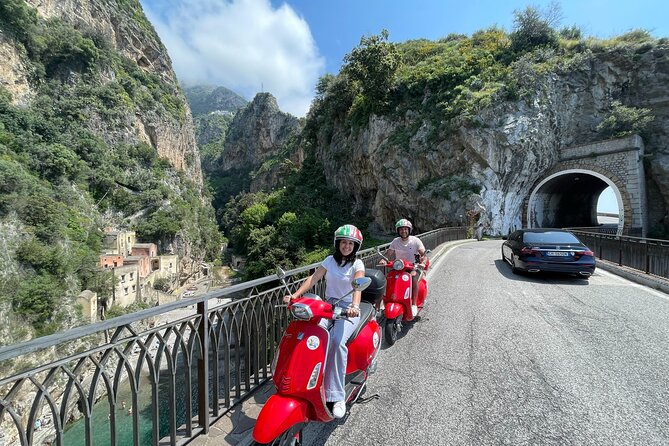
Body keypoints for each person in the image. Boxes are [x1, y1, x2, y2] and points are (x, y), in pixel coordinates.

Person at [283, 224, 365, 419]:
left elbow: (358, 287)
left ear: (355, 246)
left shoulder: (357, 265)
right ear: (338, 244)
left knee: (336, 342)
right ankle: (306, 380)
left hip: (347, 310)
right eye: (343, 242)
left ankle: (337, 396)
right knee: (312, 337)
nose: (346, 246)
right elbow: (314, 278)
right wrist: (295, 295)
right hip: (328, 307)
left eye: (350, 243)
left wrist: (354, 306)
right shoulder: (329, 260)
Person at [383, 219, 426, 317]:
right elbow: (389, 254)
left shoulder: (415, 240)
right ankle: (387, 301)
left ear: (409, 230)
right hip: (399, 267)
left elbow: (423, 253)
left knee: (413, 278)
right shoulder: (395, 241)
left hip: (413, 266)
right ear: (398, 231)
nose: (403, 231)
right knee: (388, 278)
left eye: (406, 229)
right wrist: (384, 260)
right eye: (401, 229)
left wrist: (423, 262)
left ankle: (414, 304)